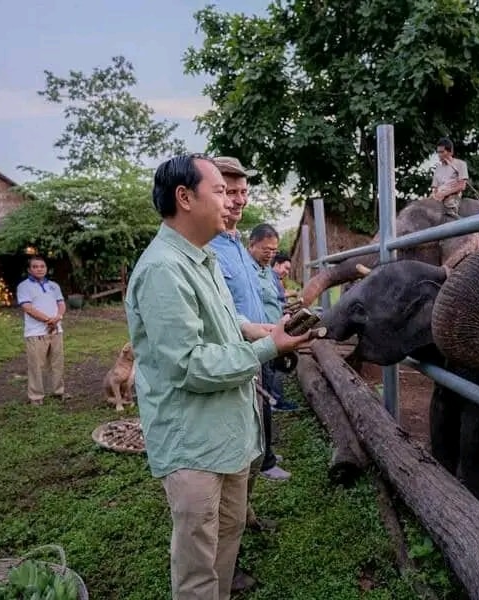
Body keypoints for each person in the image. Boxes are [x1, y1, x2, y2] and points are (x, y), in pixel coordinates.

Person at [125, 154, 310, 600]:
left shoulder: (201, 258)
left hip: (225, 436)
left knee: (225, 539)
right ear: (184, 198)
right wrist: (268, 347)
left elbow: (220, 326)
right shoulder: (162, 270)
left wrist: (256, 329)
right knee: (197, 562)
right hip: (194, 444)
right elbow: (189, 364)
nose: (231, 201)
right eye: (221, 191)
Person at [208, 157, 292, 482]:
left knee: (259, 408)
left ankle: (259, 459)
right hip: (233, 354)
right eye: (228, 191)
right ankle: (263, 462)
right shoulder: (206, 251)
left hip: (257, 343)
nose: (239, 199)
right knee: (252, 411)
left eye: (243, 191)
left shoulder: (237, 246)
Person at [248, 225, 299, 412]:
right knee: (265, 374)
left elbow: (274, 300)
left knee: (272, 370)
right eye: (266, 250)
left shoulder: (268, 272)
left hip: (273, 331)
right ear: (252, 245)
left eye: (273, 251)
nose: (270, 254)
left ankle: (272, 405)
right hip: (257, 334)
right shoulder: (246, 271)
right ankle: (270, 405)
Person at [16, 255, 67, 405]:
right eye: (35, 266)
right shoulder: (24, 286)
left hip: (56, 330)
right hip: (36, 332)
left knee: (57, 363)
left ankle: (59, 391)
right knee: (36, 365)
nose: (39, 269)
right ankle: (36, 396)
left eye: (42, 266)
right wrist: (47, 320)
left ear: (46, 268)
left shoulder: (54, 285)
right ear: (29, 270)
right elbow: (27, 308)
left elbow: (61, 303)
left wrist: (58, 317)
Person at [430, 137, 469, 219]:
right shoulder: (438, 168)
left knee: (449, 211)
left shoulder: (460, 164)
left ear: (450, 152)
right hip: (438, 195)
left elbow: (462, 186)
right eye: (438, 152)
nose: (439, 155)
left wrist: (444, 194)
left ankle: (466, 229)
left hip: (452, 196)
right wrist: (435, 194)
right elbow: (434, 187)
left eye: (442, 152)